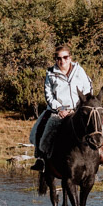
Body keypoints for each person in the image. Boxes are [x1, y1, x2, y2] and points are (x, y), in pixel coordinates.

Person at [30, 44, 92, 172]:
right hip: (58, 111)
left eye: (65, 57)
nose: (62, 61)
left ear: (70, 58)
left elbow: (88, 88)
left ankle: (100, 153)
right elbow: (49, 95)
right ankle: (41, 158)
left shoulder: (79, 71)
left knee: (97, 125)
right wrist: (60, 109)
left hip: (78, 109)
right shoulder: (51, 73)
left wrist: (78, 107)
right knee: (42, 129)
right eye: (58, 58)